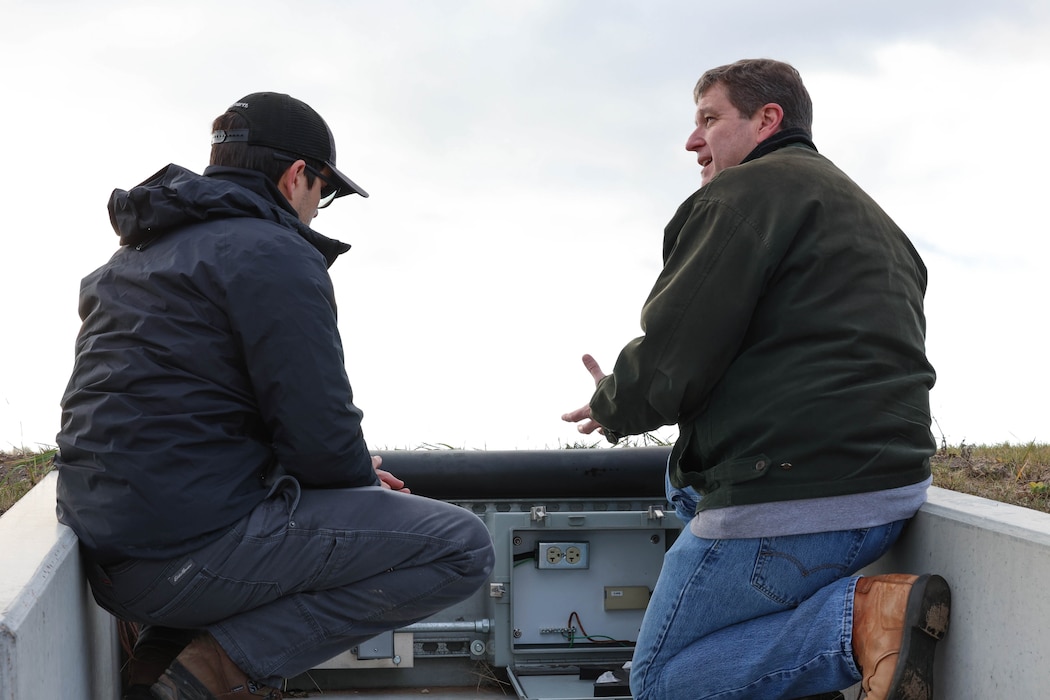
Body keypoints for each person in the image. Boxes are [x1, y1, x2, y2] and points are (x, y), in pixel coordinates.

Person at [55, 92, 495, 700]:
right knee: (461, 547)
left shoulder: (138, 255)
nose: (319, 208)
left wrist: (330, 473)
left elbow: (191, 415)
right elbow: (318, 430)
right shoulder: (273, 252)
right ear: (297, 177)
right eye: (326, 192)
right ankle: (215, 669)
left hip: (114, 554)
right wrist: (349, 480)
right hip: (178, 558)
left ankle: (164, 645)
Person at [562, 59, 950, 700]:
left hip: (794, 499)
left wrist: (614, 402)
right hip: (886, 491)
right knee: (681, 487)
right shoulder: (876, 220)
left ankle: (853, 626)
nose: (693, 142)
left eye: (709, 120)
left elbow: (674, 358)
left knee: (658, 683)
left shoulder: (742, 197)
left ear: (768, 119)